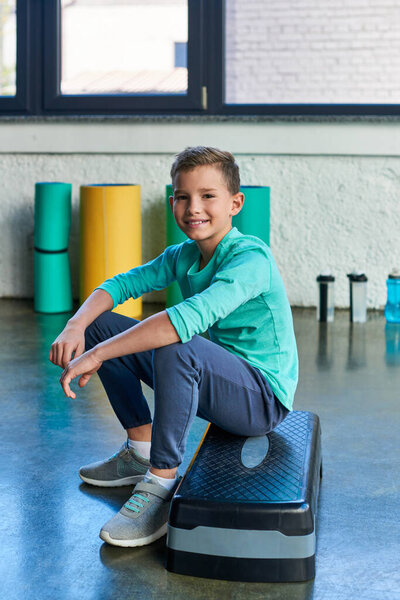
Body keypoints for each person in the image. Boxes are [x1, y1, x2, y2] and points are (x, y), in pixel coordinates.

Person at [49, 146, 298, 548]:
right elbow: (119, 285)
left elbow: (187, 321)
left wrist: (97, 355)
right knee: (101, 325)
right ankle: (140, 450)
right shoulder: (183, 255)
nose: (193, 207)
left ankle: (161, 483)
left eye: (208, 196)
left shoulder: (251, 258)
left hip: (261, 400)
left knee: (176, 342)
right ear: (171, 203)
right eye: (183, 197)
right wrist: (76, 325)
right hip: (217, 378)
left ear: (235, 204)